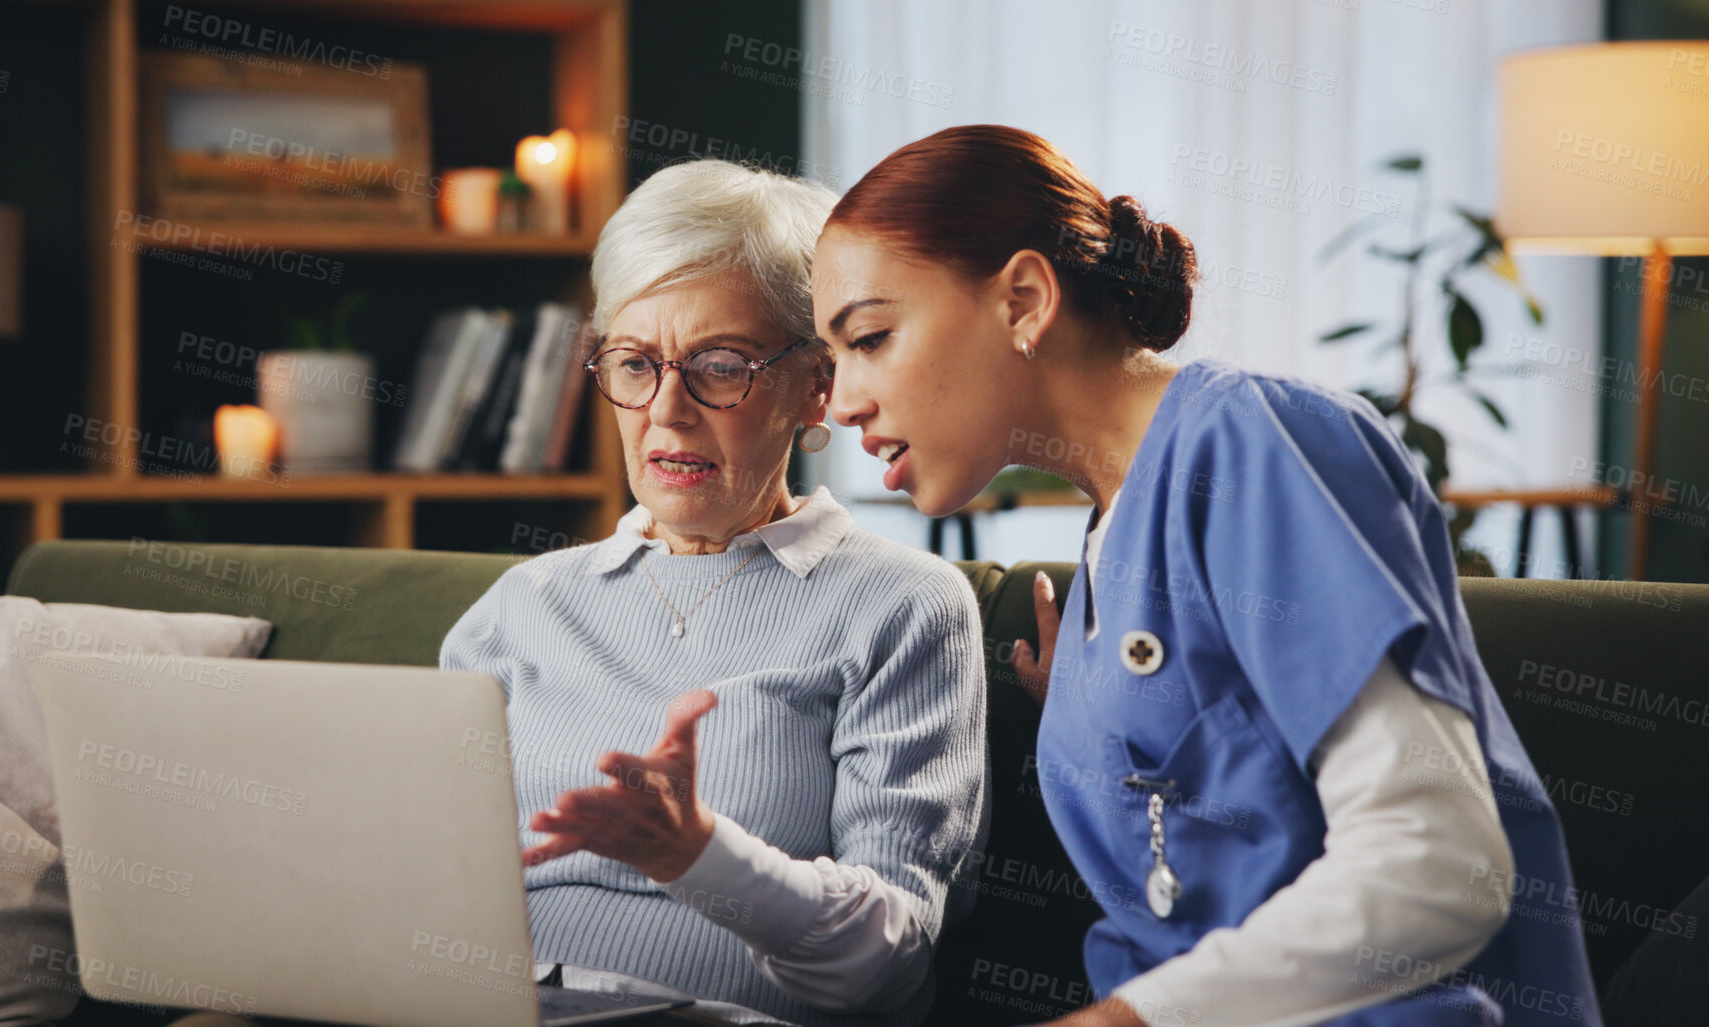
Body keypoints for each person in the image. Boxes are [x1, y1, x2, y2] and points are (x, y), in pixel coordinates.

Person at [809, 124, 1600, 1026]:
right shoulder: (1111, 542)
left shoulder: (1252, 441)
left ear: (1024, 299)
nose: (840, 402)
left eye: (868, 337)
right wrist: (1097, 714)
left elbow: (1441, 868)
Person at [438, 158, 989, 1027]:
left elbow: (889, 965)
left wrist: (697, 853)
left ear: (816, 383)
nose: (666, 409)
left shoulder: (901, 604)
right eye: (633, 362)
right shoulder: (518, 607)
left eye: (719, 365)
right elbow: (420, 879)